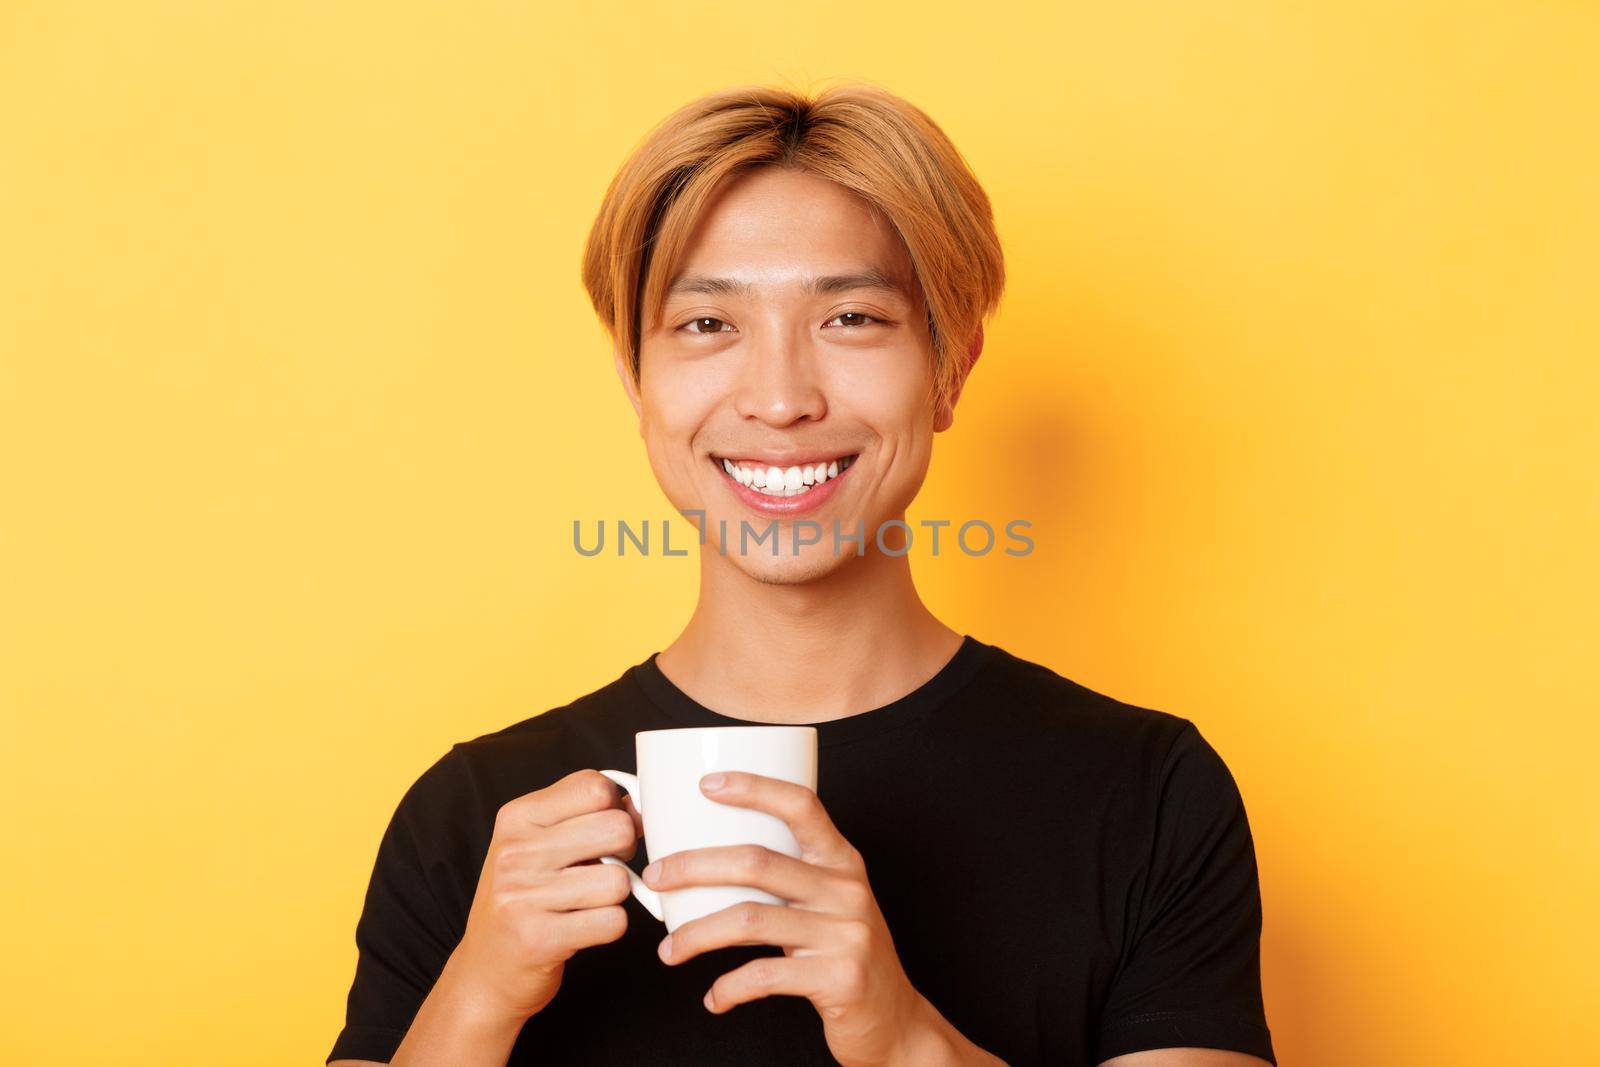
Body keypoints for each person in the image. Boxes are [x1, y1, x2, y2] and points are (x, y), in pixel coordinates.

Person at [327, 82, 1276, 1067]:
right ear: (633, 379)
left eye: (851, 317)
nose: (779, 399)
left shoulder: (1147, 793)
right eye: (706, 325)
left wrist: (905, 1036)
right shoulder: (474, 818)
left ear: (949, 368)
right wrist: (475, 999)